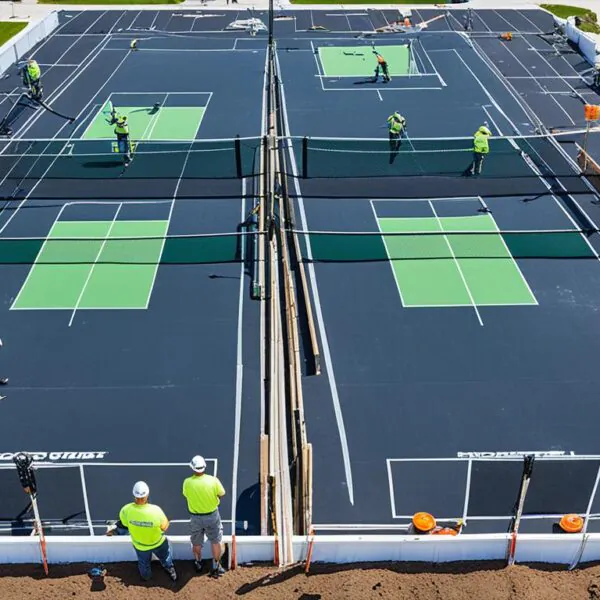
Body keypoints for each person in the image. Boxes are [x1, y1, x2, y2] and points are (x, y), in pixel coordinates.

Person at [107, 481, 177, 583]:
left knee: (144, 563)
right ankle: (170, 569)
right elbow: (164, 527)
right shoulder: (156, 510)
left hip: (140, 545)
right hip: (158, 542)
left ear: (134, 495)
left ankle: (146, 577)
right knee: (165, 556)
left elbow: (125, 524)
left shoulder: (126, 510)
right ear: (147, 495)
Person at [183, 455, 226, 578]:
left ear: (193, 468)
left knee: (196, 542)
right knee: (216, 541)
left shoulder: (187, 482)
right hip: (212, 516)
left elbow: (186, 495)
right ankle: (217, 566)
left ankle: (198, 562)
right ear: (204, 467)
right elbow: (221, 493)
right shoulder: (213, 480)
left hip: (195, 518)